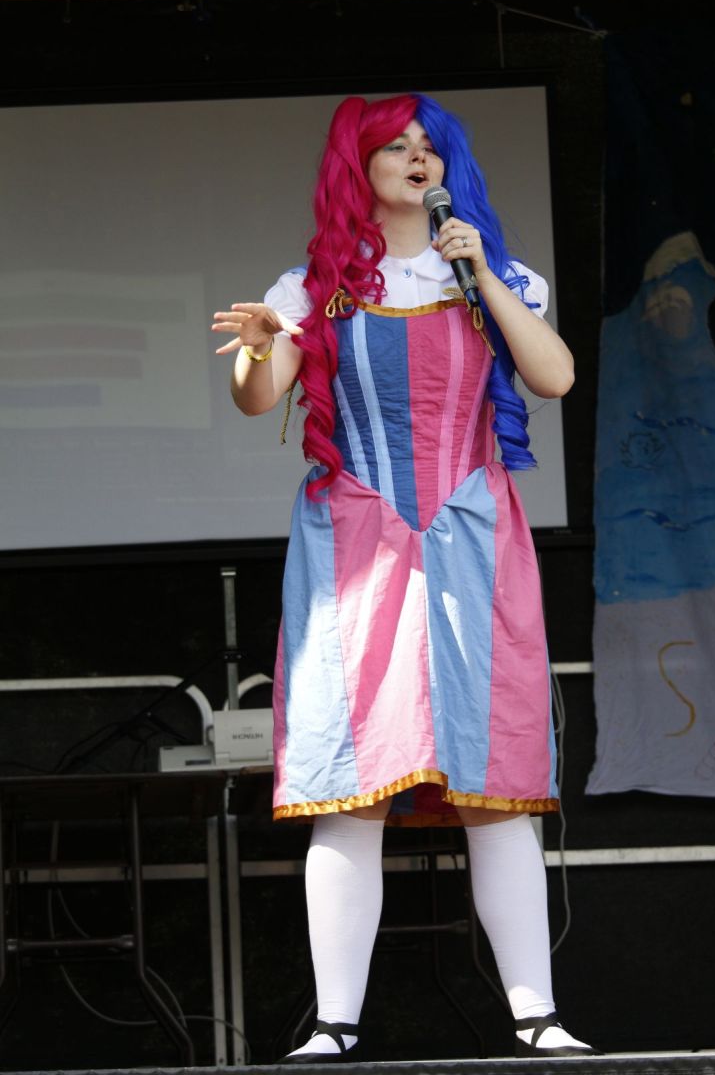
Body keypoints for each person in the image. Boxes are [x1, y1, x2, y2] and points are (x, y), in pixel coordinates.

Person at [211, 93, 594, 1062]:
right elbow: (258, 397)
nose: (417, 159)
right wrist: (258, 344)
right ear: (360, 165)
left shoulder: (496, 274)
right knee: (352, 787)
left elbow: (553, 377)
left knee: (493, 788)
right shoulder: (314, 286)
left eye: (430, 146)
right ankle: (334, 1024)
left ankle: (537, 1016)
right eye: (395, 146)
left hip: (472, 535)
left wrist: (481, 273)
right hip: (355, 540)